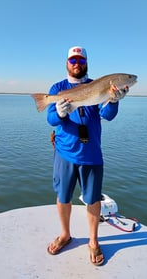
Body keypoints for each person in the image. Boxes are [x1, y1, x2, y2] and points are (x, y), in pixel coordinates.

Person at [46, 46, 128, 266]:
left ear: (86, 63)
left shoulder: (98, 85)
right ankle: (65, 234)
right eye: (73, 60)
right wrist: (60, 112)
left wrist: (113, 100)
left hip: (91, 153)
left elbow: (107, 116)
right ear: (66, 63)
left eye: (80, 60)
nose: (76, 64)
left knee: (92, 199)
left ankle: (93, 241)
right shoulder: (58, 88)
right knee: (63, 196)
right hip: (64, 152)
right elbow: (51, 119)